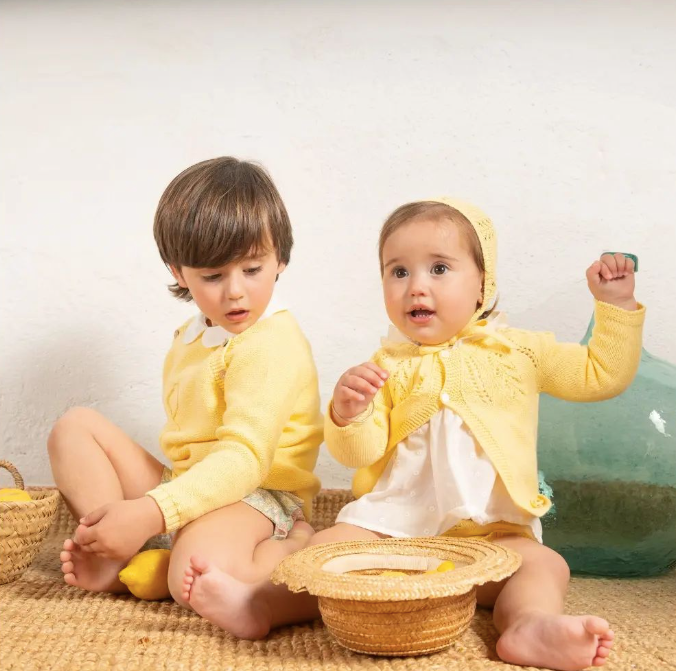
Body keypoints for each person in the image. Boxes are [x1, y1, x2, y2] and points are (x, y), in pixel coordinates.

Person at [48, 157, 323, 637]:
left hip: (258, 497)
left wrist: (153, 511)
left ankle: (292, 550)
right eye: (213, 277)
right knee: (75, 428)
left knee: (191, 578)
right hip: (192, 486)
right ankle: (123, 556)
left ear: (281, 257)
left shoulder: (271, 342)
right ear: (178, 272)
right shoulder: (194, 335)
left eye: (253, 269)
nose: (236, 293)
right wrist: (156, 507)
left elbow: (244, 461)